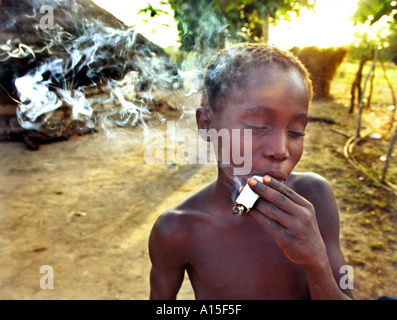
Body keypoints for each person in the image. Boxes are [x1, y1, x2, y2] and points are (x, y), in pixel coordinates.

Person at [148, 43, 353, 300]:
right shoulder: (177, 229)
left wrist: (316, 260)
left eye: (296, 132)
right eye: (257, 126)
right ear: (207, 124)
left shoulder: (315, 198)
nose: (280, 150)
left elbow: (346, 291)